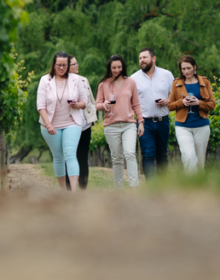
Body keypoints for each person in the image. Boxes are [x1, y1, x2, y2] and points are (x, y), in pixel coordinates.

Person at [36, 52, 90, 189]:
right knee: (58, 157)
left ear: (68, 65)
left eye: (64, 65)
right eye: (59, 65)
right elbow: (40, 106)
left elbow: (85, 101)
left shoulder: (76, 79)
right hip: (50, 124)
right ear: (54, 65)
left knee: (70, 154)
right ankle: (63, 190)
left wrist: (77, 105)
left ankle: (73, 192)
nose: (61, 68)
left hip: (72, 122)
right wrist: (48, 124)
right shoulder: (45, 80)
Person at [95, 55, 144, 188]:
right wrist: (104, 104)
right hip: (111, 126)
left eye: (119, 67)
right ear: (110, 68)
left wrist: (141, 121)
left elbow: (136, 104)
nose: (117, 70)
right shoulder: (103, 84)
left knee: (130, 153)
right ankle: (119, 189)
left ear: (123, 67)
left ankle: (135, 187)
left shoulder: (131, 82)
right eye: (114, 67)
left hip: (129, 124)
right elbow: (97, 104)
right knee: (117, 158)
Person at [130, 48, 175, 179]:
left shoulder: (167, 75)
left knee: (162, 154)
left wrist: (167, 101)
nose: (141, 60)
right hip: (144, 123)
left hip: (163, 121)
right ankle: (151, 188)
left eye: (144, 57)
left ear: (153, 59)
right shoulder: (134, 79)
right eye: (140, 58)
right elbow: (130, 101)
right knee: (148, 154)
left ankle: (162, 186)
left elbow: (176, 96)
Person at [168, 55, 216, 173]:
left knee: (199, 162)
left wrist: (198, 103)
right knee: (188, 156)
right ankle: (190, 188)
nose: (186, 71)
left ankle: (198, 187)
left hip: (202, 125)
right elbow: (170, 106)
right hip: (182, 126)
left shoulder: (205, 82)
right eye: (183, 69)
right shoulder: (176, 83)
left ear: (194, 67)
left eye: (188, 68)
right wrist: (182, 102)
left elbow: (212, 105)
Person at [66, 57, 96, 190]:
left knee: (83, 158)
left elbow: (91, 101)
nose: (77, 65)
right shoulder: (62, 82)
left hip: (84, 125)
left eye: (77, 63)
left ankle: (83, 189)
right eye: (74, 64)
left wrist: (92, 118)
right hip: (68, 125)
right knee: (69, 156)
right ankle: (69, 190)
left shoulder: (83, 80)